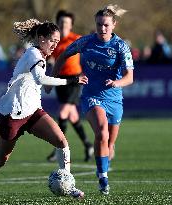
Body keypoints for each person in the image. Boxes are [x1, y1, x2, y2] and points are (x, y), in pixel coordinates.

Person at [0, 19, 87, 204]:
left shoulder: (41, 54)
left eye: (58, 42)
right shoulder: (33, 54)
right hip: (13, 114)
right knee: (0, 160)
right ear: (41, 38)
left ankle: (67, 183)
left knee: (61, 142)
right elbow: (41, 79)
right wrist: (71, 80)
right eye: (52, 41)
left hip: (33, 112)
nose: (55, 45)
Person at [49, 4, 134, 195]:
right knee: (102, 133)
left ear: (113, 25)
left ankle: (102, 164)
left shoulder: (121, 46)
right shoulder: (85, 42)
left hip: (114, 99)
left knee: (110, 145)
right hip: (91, 96)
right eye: (98, 25)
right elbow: (62, 56)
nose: (102, 29)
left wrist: (117, 83)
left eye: (105, 25)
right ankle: (103, 178)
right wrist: (52, 80)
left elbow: (130, 77)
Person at [46, 10, 93, 162]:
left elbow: (89, 53)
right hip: (60, 80)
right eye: (60, 22)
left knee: (62, 113)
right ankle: (87, 145)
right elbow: (51, 58)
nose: (63, 25)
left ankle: (58, 148)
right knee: (72, 115)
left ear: (71, 25)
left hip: (74, 79)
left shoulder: (77, 39)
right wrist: (50, 62)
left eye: (66, 23)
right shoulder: (54, 40)